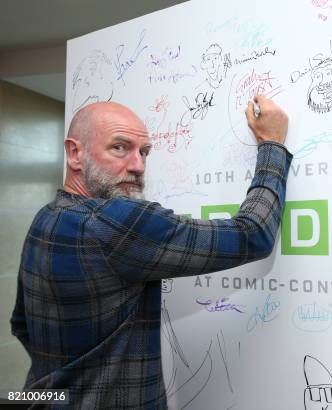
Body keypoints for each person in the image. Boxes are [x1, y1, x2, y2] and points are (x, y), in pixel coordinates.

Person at [10, 95, 291, 408]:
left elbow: (21, 324)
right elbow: (253, 235)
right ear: (75, 154)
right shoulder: (116, 222)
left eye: (144, 152)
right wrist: (272, 144)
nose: (138, 166)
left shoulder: (46, 217)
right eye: (120, 147)